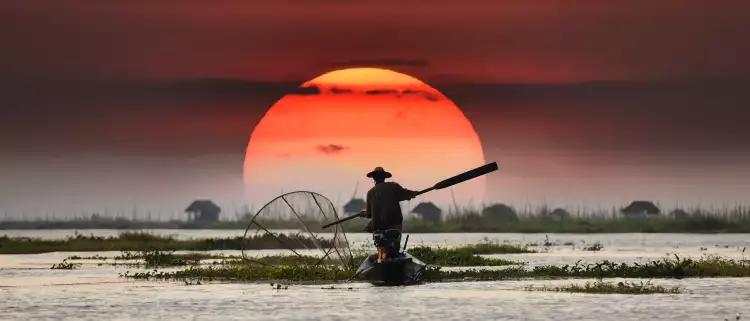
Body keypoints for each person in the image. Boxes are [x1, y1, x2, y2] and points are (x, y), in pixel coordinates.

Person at [357, 167, 420, 233]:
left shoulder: (370, 193)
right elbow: (406, 194)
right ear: (384, 177)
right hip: (394, 223)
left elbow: (368, 214)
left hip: (378, 227)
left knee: (378, 239)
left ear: (374, 178)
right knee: (395, 241)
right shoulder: (393, 187)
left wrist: (363, 213)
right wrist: (414, 193)